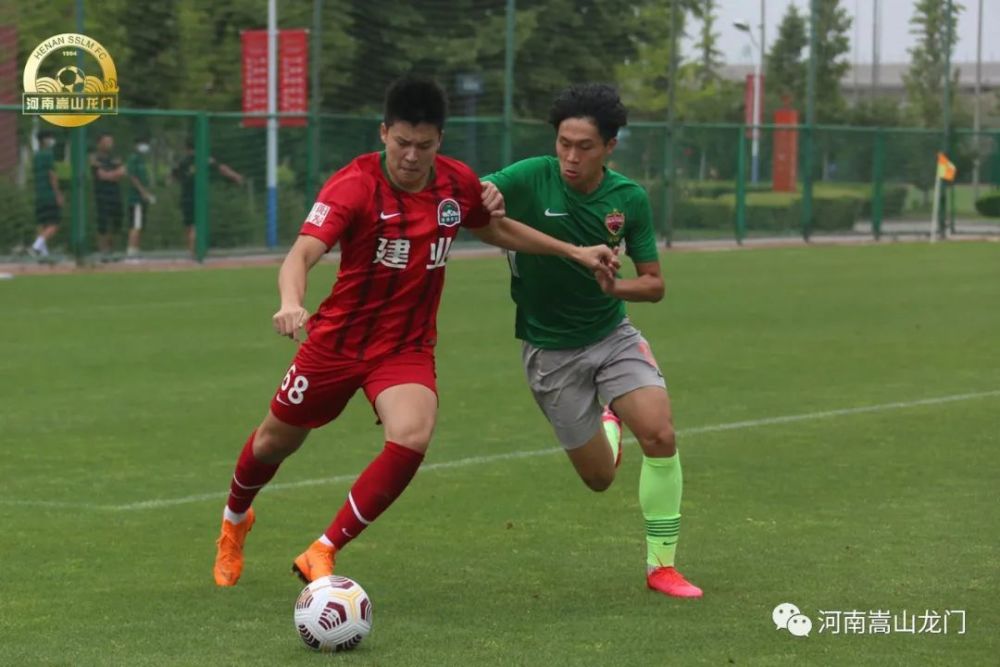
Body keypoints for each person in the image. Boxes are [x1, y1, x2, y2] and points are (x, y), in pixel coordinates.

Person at [212, 75, 616, 587]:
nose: (411, 156)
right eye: (402, 143)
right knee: (273, 443)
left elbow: (491, 227)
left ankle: (323, 549)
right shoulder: (353, 185)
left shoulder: (455, 183)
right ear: (384, 133)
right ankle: (234, 522)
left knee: (413, 434)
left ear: (439, 142)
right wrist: (291, 302)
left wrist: (573, 251)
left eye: (423, 146)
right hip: (337, 342)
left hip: (405, 347)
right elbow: (303, 253)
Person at [481, 83, 702, 598]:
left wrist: (615, 286)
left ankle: (661, 567)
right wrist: (483, 191)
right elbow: (472, 193)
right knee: (600, 479)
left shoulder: (628, 199)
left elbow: (655, 284)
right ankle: (608, 426)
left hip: (611, 335)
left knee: (660, 434)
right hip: (549, 354)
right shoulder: (532, 176)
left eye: (584, 146)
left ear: (609, 147)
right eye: (563, 143)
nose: (570, 157)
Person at [172, 140, 243, 257]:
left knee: (189, 225)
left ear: (187, 149)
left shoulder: (183, 162)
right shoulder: (204, 159)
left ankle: (191, 250)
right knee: (197, 224)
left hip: (186, 196)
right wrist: (236, 176)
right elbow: (222, 168)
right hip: (198, 196)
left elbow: (173, 176)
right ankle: (196, 251)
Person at [91, 133, 126, 259]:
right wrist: (113, 174)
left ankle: (113, 250)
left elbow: (122, 172)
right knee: (103, 223)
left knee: (117, 222)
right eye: (106, 141)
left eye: (110, 141)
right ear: (99, 143)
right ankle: (103, 251)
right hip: (102, 194)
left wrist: (110, 174)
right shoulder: (95, 157)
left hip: (115, 194)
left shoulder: (116, 157)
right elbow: (101, 175)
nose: (109, 144)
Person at [29, 130, 63, 258]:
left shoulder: (36, 156)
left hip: (39, 194)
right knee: (54, 224)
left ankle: (44, 253)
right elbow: (52, 175)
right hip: (49, 194)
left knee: (43, 224)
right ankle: (36, 246)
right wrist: (58, 194)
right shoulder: (48, 155)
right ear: (44, 140)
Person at [125, 137, 156, 260]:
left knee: (140, 224)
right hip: (136, 199)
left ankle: (136, 249)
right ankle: (131, 251)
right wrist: (143, 192)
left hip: (142, 199)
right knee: (135, 224)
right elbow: (132, 177)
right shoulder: (134, 159)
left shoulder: (142, 160)